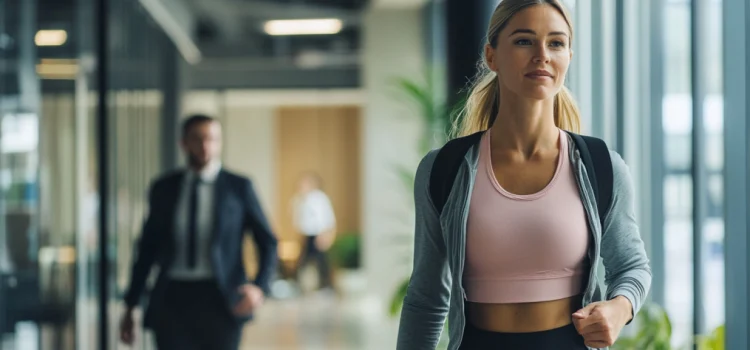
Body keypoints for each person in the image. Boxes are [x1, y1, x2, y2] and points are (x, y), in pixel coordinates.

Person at [396, 1, 651, 350]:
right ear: (491, 56)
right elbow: (426, 297)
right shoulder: (444, 170)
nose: (542, 55)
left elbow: (632, 267)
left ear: (568, 58)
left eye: (556, 43)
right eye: (523, 41)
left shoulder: (601, 166)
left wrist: (619, 309)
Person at [119, 114, 278, 350]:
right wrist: (131, 305)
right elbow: (147, 249)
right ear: (184, 143)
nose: (206, 146)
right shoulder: (164, 188)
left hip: (221, 299)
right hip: (172, 298)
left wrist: (259, 287)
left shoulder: (238, 187)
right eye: (198, 139)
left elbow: (267, 241)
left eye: (212, 139)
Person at [292, 172, 336, 290]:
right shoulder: (299, 199)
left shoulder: (319, 198)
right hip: (306, 234)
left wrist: (325, 235)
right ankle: (299, 285)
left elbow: (326, 218)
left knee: (321, 262)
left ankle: (326, 285)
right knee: (304, 261)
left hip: (318, 234)